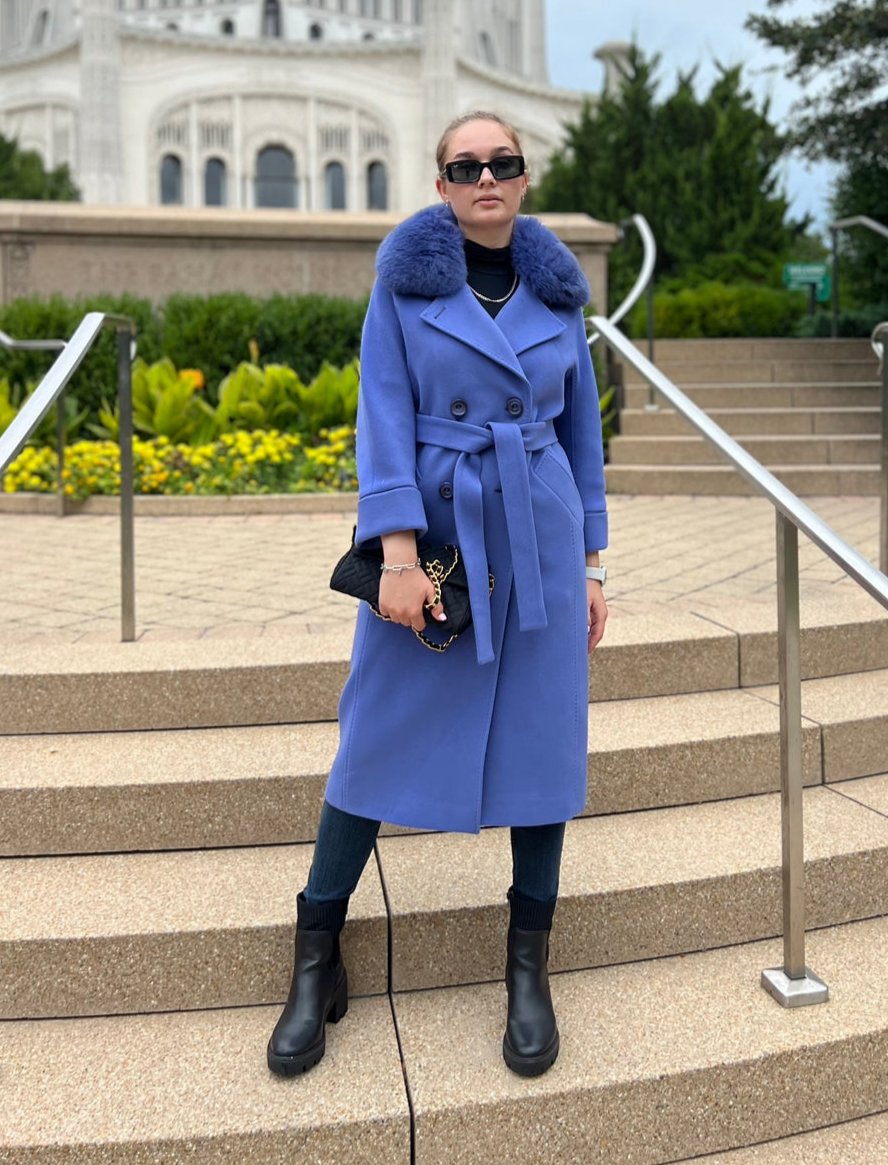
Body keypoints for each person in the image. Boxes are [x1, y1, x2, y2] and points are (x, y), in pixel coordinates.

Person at [267, 110, 608, 1080]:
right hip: (437, 538)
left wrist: (592, 564)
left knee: (544, 745)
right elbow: (380, 415)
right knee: (374, 736)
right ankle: (315, 954)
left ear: (525, 179)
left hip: (539, 540)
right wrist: (398, 557)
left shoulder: (558, 295)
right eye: (466, 166)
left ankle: (528, 966)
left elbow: (582, 434)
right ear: (441, 184)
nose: (485, 178)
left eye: (503, 163)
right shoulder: (405, 284)